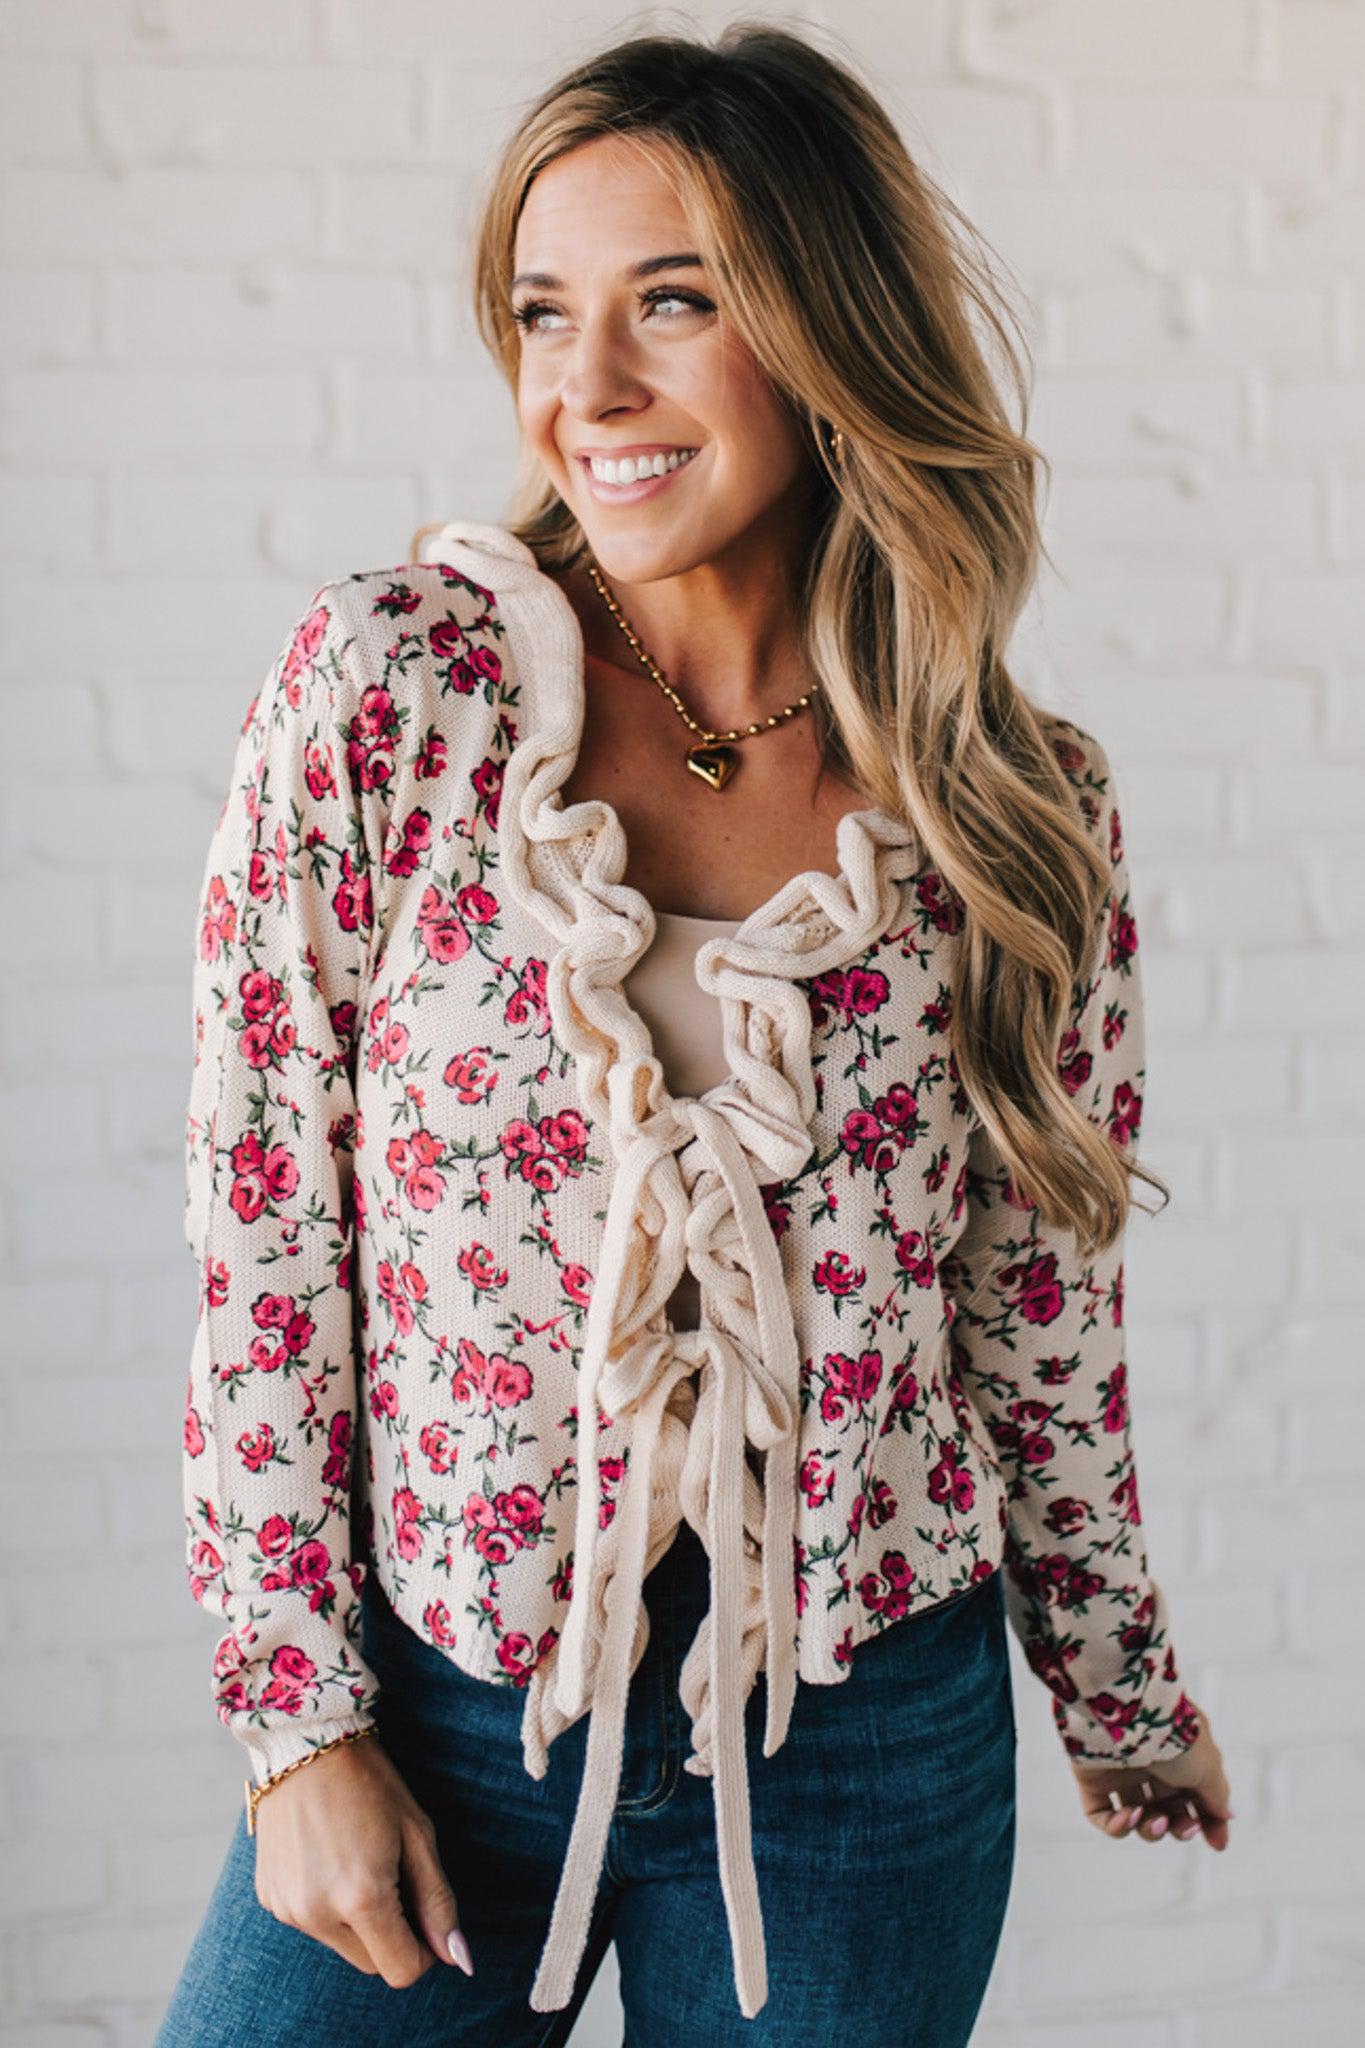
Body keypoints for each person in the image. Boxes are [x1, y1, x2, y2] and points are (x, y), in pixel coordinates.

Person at [154, 21, 1232, 2048]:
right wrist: (293, 1726)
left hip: (868, 1745)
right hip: (452, 1704)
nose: (587, 390)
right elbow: (260, 1235)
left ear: (826, 330)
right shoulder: (393, 689)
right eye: (542, 313)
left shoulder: (1009, 801)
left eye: (674, 303)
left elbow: (1030, 1302)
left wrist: (1115, 1680)